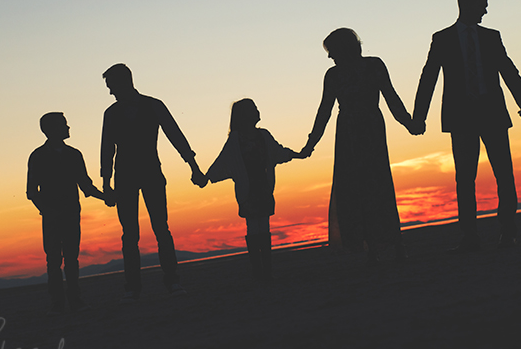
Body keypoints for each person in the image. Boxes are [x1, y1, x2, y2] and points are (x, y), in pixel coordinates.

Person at [411, 0, 521, 252]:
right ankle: (469, 236)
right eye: (483, 4)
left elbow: (508, 70)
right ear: (467, 4)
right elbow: (429, 77)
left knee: (504, 174)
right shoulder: (442, 38)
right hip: (461, 116)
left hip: (492, 113)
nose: (486, 10)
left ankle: (508, 232)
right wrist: (418, 117)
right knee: (465, 178)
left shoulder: (492, 37)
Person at [301, 28, 412, 262]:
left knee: (374, 184)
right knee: (361, 187)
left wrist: (408, 122)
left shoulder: (368, 67)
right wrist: (311, 143)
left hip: (361, 129)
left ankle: (386, 242)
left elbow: (390, 97)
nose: (330, 57)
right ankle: (378, 243)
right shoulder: (342, 73)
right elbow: (325, 111)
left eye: (331, 51)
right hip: (355, 131)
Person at [100, 63, 206, 301]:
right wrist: (107, 183)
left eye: (111, 86)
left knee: (161, 228)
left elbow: (175, 135)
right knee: (130, 234)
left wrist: (194, 166)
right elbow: (107, 148)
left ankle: (172, 281)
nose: (110, 92)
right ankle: (133, 287)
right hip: (125, 177)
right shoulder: (112, 113)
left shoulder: (153, 105)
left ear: (124, 81)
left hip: (151, 173)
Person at [205, 99, 302, 281]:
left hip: (264, 187)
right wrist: (207, 177)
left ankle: (265, 271)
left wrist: (295, 154)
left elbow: (278, 152)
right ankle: (259, 271)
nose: (258, 111)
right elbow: (223, 160)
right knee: (254, 227)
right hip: (248, 190)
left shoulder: (263, 135)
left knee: (262, 226)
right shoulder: (235, 140)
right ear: (245, 115)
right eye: (254, 108)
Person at [26, 112, 107, 313]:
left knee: (71, 258)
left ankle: (74, 299)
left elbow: (86, 186)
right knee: (54, 260)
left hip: (71, 213)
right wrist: (46, 211)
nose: (68, 128)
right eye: (64, 125)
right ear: (51, 129)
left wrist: (106, 197)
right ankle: (58, 303)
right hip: (53, 216)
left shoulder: (74, 155)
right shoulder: (38, 156)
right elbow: (31, 191)